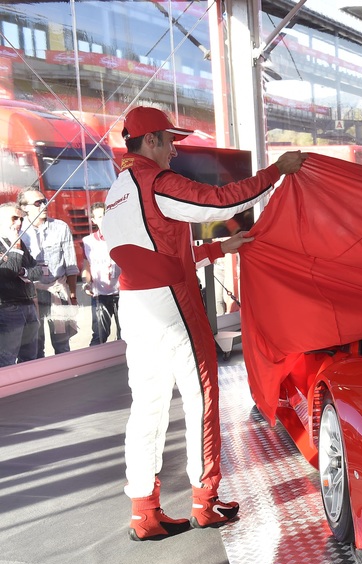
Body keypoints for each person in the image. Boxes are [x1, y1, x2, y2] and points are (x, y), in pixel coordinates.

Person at [102, 106, 307, 541]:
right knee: (201, 399)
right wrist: (277, 171)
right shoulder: (155, 182)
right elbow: (222, 199)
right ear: (152, 140)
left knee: (147, 408)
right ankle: (205, 502)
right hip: (172, 303)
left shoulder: (117, 190)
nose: (175, 151)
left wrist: (221, 248)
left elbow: (153, 253)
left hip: (134, 307)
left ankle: (143, 512)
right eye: (170, 141)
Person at [18, 188, 79, 357]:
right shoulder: (18, 232)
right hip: (30, 295)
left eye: (45, 201)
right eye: (38, 203)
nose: (44, 205)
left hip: (57, 292)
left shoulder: (61, 227)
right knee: (35, 346)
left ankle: (66, 378)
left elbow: (71, 266)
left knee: (62, 345)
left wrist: (72, 296)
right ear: (24, 207)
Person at [0, 201, 41, 366]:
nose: (18, 223)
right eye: (14, 218)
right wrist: (16, 248)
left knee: (30, 355)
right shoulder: (16, 242)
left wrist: (22, 271)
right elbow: (8, 273)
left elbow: (37, 271)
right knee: (7, 359)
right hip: (7, 307)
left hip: (28, 303)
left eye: (21, 219)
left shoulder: (18, 241)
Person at [81, 202, 121, 345]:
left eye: (104, 215)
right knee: (99, 334)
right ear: (93, 220)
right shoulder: (88, 241)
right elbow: (86, 266)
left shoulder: (121, 237)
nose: (102, 219)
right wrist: (86, 282)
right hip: (101, 294)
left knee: (125, 332)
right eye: (98, 216)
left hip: (122, 293)